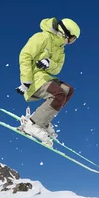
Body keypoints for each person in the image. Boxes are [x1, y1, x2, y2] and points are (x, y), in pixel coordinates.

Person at [16, 18, 81, 147]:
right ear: (65, 32)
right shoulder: (42, 37)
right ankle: (32, 124)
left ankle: (44, 120)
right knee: (59, 94)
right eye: (72, 38)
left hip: (45, 79)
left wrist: (49, 63)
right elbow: (25, 55)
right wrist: (26, 81)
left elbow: (58, 69)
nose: (71, 42)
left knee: (68, 90)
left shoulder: (60, 50)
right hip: (34, 80)